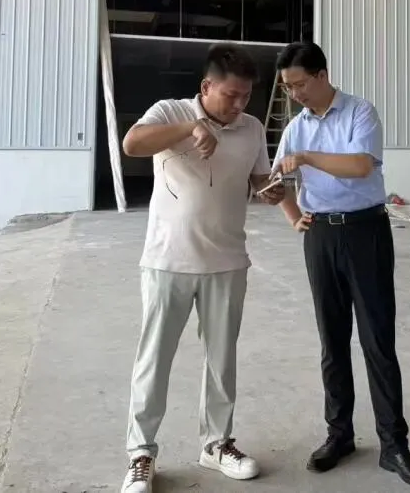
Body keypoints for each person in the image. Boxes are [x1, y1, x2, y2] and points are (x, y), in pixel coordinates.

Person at [119, 43, 285, 493]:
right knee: (154, 359)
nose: (239, 104)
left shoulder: (252, 128)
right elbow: (132, 144)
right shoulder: (169, 111)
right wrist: (191, 127)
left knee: (221, 360)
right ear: (206, 86)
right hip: (168, 260)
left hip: (227, 262)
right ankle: (141, 454)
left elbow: (258, 179)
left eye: (246, 96)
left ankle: (216, 444)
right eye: (231, 95)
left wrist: (270, 190)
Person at [270, 41, 410, 490]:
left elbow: (361, 165)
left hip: (365, 232)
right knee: (332, 339)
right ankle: (339, 434)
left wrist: (306, 157)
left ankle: (393, 445)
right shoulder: (296, 126)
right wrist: (289, 211)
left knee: (377, 339)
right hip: (320, 234)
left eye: (299, 84)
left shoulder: (361, 112)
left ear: (322, 75)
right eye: (288, 88)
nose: (295, 94)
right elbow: (277, 178)